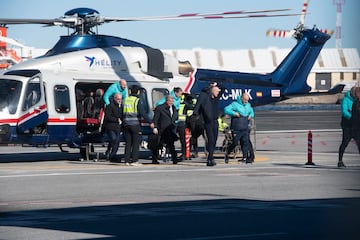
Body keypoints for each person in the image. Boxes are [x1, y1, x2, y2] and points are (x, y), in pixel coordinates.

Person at [192, 82, 225, 166]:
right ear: (212, 90)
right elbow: (198, 105)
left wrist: (217, 84)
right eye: (217, 91)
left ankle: (211, 157)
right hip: (208, 122)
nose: (218, 92)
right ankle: (210, 158)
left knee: (214, 140)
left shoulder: (216, 98)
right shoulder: (205, 96)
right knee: (210, 140)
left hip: (215, 121)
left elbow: (223, 88)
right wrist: (196, 116)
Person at [123, 85, 152, 166]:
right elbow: (143, 113)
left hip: (126, 124)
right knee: (136, 143)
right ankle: (134, 160)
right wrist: (150, 122)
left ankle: (126, 160)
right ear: (138, 92)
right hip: (135, 124)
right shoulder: (137, 100)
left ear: (130, 92)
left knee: (128, 143)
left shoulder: (126, 100)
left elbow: (122, 112)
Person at [223, 93, 254, 164]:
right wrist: (234, 113)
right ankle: (227, 152)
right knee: (235, 142)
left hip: (245, 126)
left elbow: (252, 112)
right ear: (242, 98)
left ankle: (244, 158)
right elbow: (226, 109)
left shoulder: (248, 105)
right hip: (237, 126)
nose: (246, 101)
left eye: (247, 100)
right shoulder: (235, 104)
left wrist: (250, 115)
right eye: (245, 100)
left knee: (245, 142)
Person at [152, 95, 179, 164]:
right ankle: (154, 159)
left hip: (170, 129)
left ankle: (174, 158)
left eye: (172, 101)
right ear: (166, 101)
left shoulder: (173, 108)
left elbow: (175, 117)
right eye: (170, 101)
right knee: (158, 145)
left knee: (171, 145)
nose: (171, 103)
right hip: (161, 129)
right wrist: (155, 127)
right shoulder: (160, 108)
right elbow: (156, 118)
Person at [338, 86, 360, 167]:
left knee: (359, 143)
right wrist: (352, 118)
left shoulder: (357, 101)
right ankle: (340, 160)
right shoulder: (346, 100)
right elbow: (344, 111)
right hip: (347, 125)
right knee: (344, 143)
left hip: (356, 126)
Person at [103, 93, 123, 162]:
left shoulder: (121, 107)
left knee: (117, 141)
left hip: (118, 127)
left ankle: (113, 155)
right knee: (113, 139)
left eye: (120, 99)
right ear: (115, 99)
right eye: (118, 99)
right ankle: (109, 152)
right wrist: (116, 119)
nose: (119, 100)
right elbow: (107, 117)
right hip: (111, 127)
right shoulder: (110, 106)